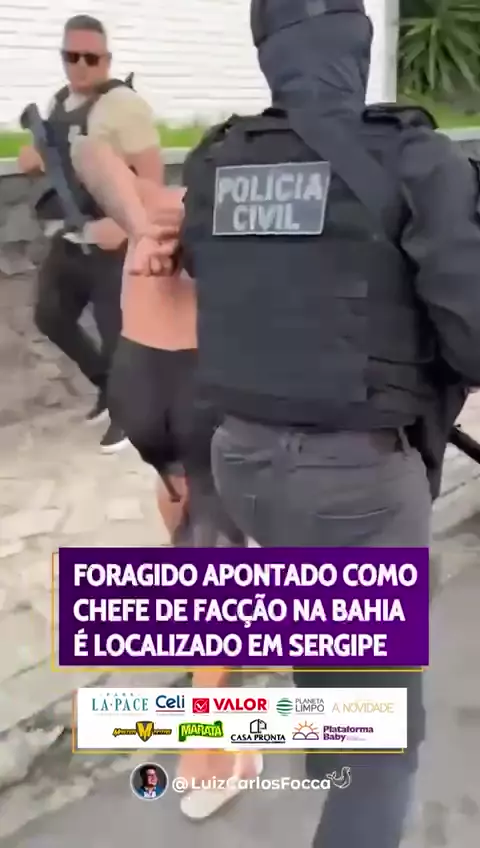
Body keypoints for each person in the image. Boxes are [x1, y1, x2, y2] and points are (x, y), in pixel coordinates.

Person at [106, 0, 480, 843]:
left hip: (241, 466)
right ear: (357, 41)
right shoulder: (415, 158)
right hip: (356, 488)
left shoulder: (218, 161)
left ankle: (324, 743)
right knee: (385, 750)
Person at [71, 144, 245, 546]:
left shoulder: (157, 202)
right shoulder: (246, 219)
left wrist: (138, 226)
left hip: (136, 383)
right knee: (216, 509)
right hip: (201, 385)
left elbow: (86, 150)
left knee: (176, 484)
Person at [18, 14, 162, 451]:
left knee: (117, 332)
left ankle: (131, 415)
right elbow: (58, 158)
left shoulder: (124, 106)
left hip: (113, 236)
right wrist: (34, 156)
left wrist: (123, 225)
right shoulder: (60, 101)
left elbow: (152, 177)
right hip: (72, 234)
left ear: (107, 60)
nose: (80, 65)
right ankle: (106, 385)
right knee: (50, 315)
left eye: (91, 58)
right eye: (72, 56)